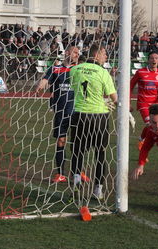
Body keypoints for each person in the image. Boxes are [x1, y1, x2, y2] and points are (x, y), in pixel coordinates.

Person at [70, 44, 118, 199]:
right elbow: (114, 98)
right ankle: (98, 189)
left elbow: (73, 88)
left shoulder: (75, 69)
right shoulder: (104, 73)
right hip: (99, 117)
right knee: (100, 154)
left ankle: (76, 185)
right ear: (97, 54)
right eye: (104, 54)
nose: (106, 58)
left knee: (77, 153)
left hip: (79, 116)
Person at [35, 46, 88, 183]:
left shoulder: (79, 69)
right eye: (75, 52)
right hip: (61, 111)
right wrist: (40, 86)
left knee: (79, 143)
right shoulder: (55, 69)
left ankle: (78, 171)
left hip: (77, 111)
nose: (78, 55)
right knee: (61, 141)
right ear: (67, 53)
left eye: (78, 53)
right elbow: (46, 79)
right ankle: (60, 174)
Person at [130, 51, 158, 151]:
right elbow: (130, 86)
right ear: (148, 60)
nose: (154, 60)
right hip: (143, 104)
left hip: (155, 104)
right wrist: (128, 101)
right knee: (151, 124)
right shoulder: (140, 72)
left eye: (156, 58)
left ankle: (141, 139)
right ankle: (144, 144)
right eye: (152, 58)